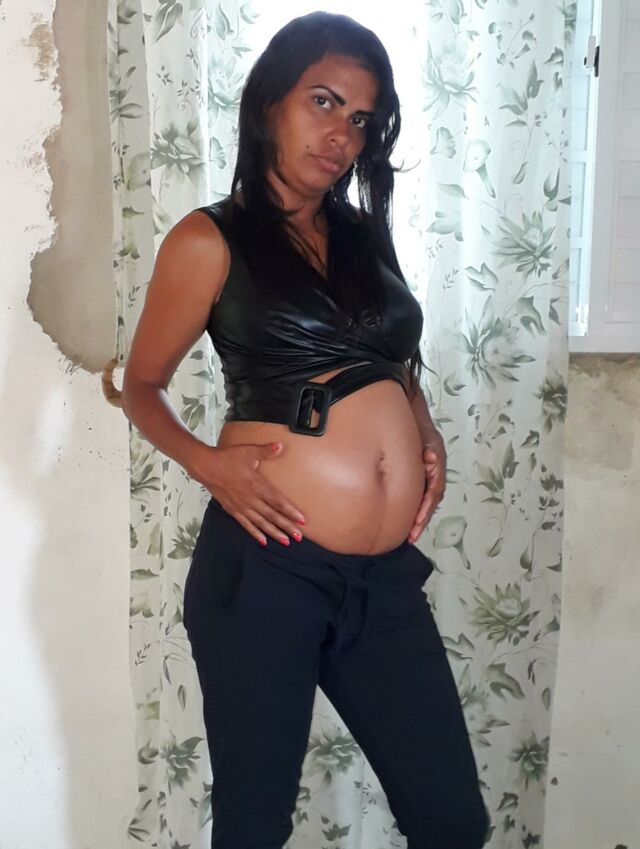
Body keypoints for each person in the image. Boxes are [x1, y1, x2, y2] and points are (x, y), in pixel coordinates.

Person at [122, 11, 489, 849]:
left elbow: (392, 358)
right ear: (268, 104)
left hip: (380, 581)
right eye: (323, 101)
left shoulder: (362, 237)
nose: (342, 134)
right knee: (255, 825)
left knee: (452, 821)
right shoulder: (209, 239)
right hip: (266, 568)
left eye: (360, 118)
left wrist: (422, 425)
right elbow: (141, 386)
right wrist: (209, 463)